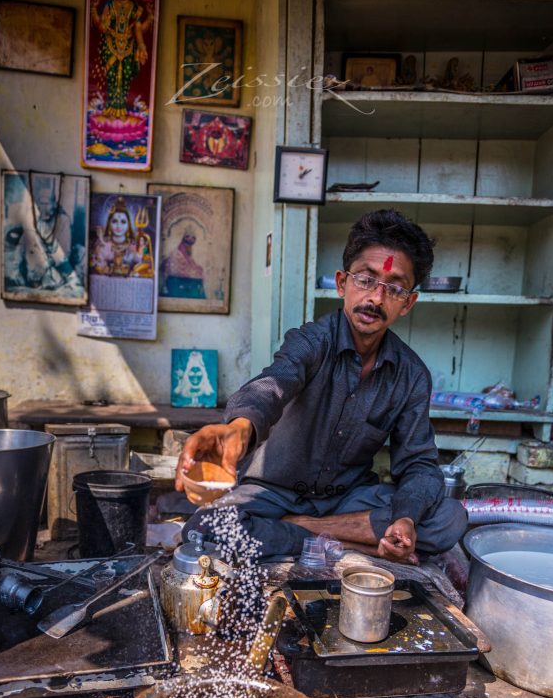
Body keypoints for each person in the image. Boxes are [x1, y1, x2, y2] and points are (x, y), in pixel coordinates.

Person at [176, 209, 467, 563]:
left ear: (408, 302)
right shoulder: (311, 342)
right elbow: (271, 385)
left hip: (348, 497)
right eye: (365, 279)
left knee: (449, 520)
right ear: (343, 283)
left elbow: (419, 463)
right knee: (204, 528)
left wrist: (405, 518)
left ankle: (301, 529)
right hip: (273, 493)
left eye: (393, 288)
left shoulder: (411, 375)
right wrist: (238, 427)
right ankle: (347, 539)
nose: (375, 298)